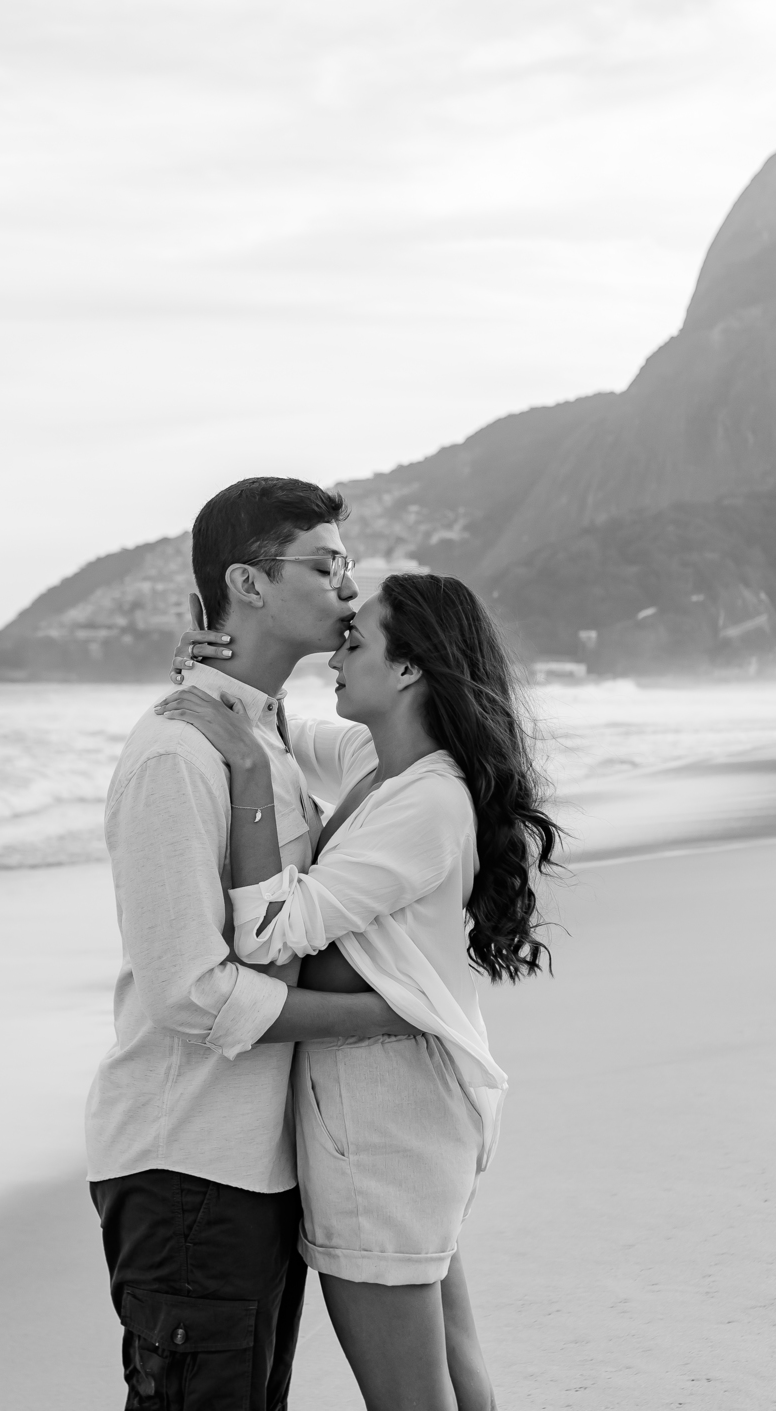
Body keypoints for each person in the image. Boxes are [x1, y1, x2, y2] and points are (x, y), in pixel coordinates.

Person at [159, 570, 559, 1411]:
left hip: (380, 1122)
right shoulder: (387, 762)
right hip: (404, 1106)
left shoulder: (428, 801)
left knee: (412, 1396)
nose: (337, 652)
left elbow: (271, 930)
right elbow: (277, 727)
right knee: (451, 1367)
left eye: (357, 641)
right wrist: (209, 672)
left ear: (410, 669)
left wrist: (237, 768)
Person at [85, 478, 420, 1411]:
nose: (349, 588)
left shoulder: (267, 735)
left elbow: (424, 747)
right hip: (186, 1158)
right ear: (249, 582)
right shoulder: (176, 753)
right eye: (326, 564)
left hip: (258, 1163)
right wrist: (378, 1016)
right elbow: (189, 991)